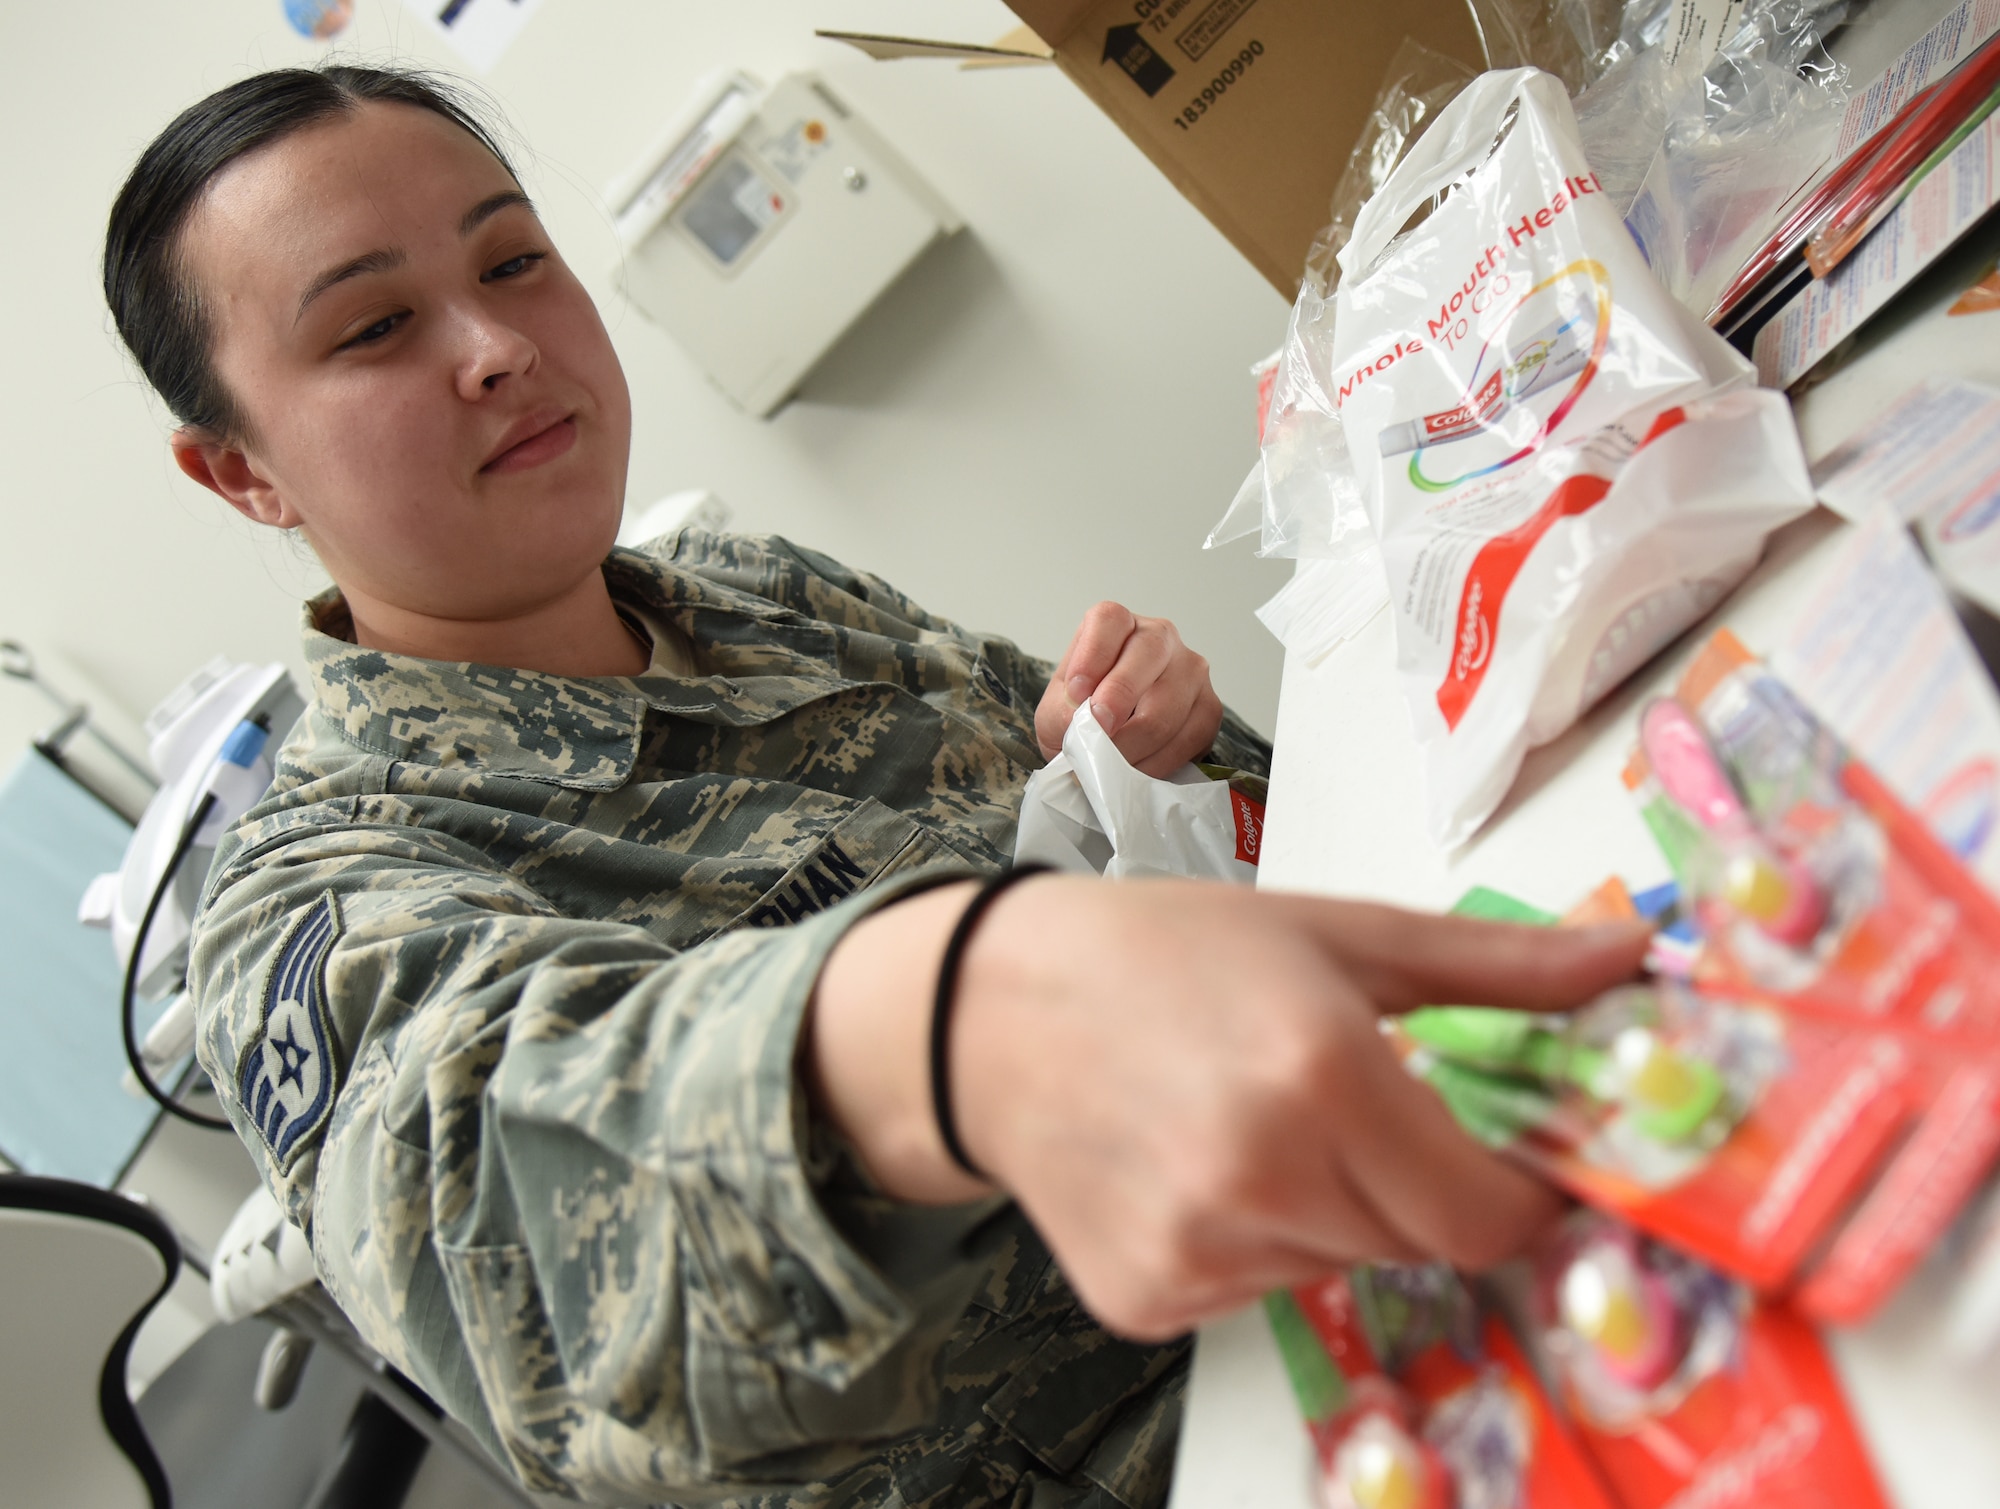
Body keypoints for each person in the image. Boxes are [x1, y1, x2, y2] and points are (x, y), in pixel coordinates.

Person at [104, 66, 1651, 1507]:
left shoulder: (757, 593)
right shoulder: (312, 905)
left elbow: (1233, 862)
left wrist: (1159, 754)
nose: (494, 344)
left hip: (1404, 1242)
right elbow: (537, 1265)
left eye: (510, 262)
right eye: (372, 328)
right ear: (240, 470)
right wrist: (960, 1007)